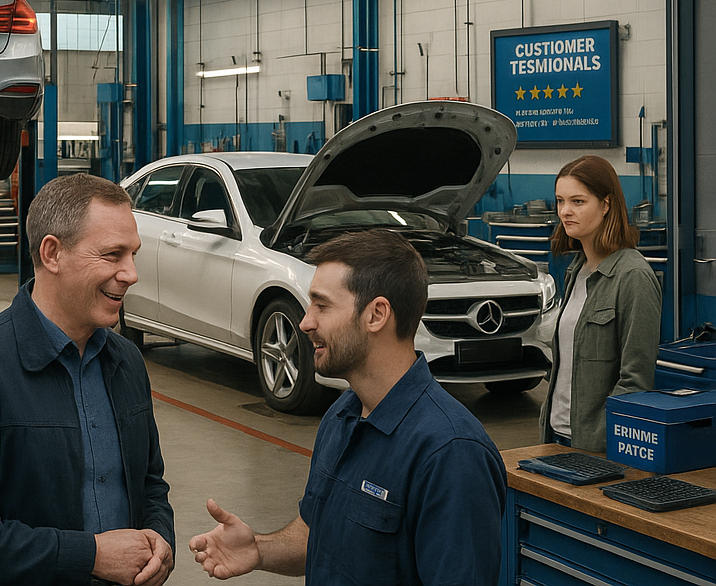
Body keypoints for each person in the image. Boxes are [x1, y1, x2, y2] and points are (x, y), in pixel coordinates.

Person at [188, 229, 506, 586]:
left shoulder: (451, 453)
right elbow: (317, 535)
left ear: (376, 315)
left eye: (321, 305)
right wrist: (258, 550)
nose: (306, 322)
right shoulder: (343, 415)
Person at [0, 173, 175, 586]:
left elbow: (149, 483)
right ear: (52, 254)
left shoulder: (125, 361)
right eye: (112, 255)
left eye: (133, 255)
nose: (131, 273)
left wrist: (159, 539)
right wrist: (89, 556)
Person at [540, 154, 662, 452]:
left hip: (597, 446)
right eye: (560, 201)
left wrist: (607, 439)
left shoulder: (632, 276)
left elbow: (635, 381)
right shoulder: (576, 271)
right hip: (556, 434)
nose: (565, 211)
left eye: (578, 202)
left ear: (606, 204)